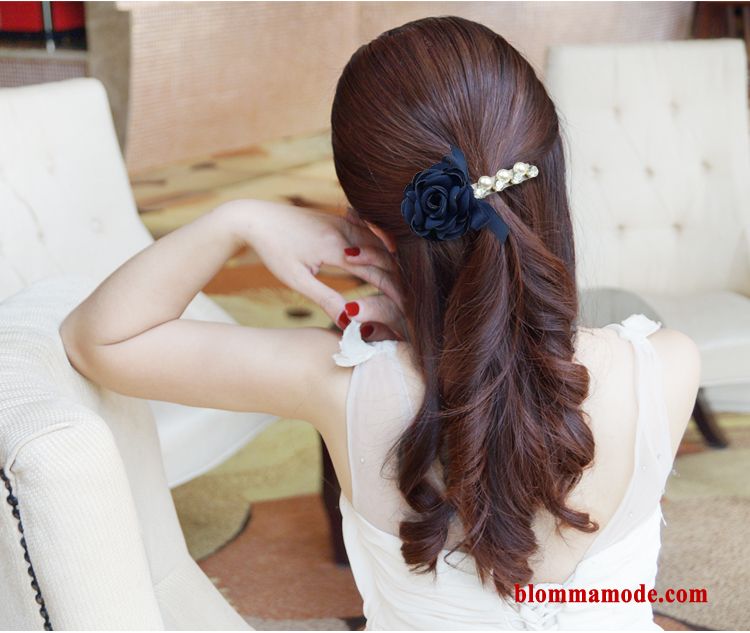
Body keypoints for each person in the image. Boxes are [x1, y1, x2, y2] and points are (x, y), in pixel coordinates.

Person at [59, 16, 701, 630]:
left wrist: (239, 219)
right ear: (550, 175)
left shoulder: (340, 385)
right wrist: (441, 321)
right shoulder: (668, 368)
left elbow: (99, 337)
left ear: (372, 230)